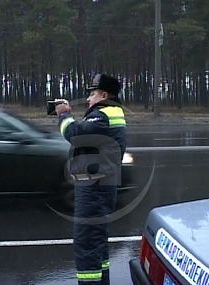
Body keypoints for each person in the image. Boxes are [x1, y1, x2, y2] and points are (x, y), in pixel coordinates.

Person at [55, 73, 126, 285]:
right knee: (96, 241)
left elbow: (75, 134)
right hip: (99, 183)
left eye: (92, 94)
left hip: (94, 185)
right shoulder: (106, 113)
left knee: (87, 242)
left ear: (104, 94)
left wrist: (63, 115)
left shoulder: (103, 114)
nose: (88, 99)